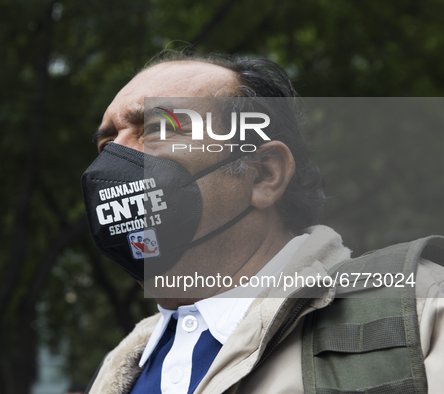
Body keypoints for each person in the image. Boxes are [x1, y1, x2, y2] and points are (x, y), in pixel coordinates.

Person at [80, 52, 444, 393]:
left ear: (263, 175)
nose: (117, 160)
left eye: (159, 129)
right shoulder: (121, 373)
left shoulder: (416, 306)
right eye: (107, 143)